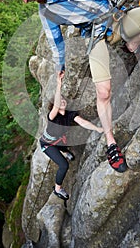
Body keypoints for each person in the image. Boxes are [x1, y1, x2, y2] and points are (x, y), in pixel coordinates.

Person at [0, 0, 140, 173]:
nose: (24, 0)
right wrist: (59, 69)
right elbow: (56, 44)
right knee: (103, 91)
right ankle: (111, 142)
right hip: (93, 38)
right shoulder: (46, 11)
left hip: (115, 19)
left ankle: (134, 43)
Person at [40, 71, 103, 200]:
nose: (62, 101)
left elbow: (83, 122)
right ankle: (57, 189)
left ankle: (65, 151)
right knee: (64, 165)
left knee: (67, 142)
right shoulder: (52, 116)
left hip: (60, 141)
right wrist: (59, 84)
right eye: (59, 100)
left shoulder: (70, 115)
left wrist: (97, 128)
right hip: (47, 144)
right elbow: (57, 103)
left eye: (64, 100)